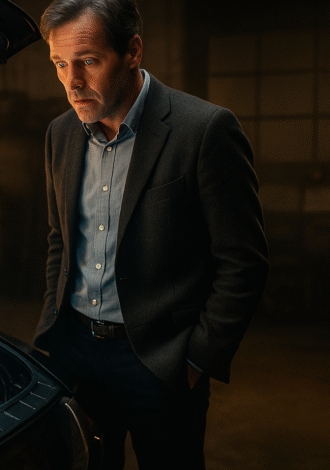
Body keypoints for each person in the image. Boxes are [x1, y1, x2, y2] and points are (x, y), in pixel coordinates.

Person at [32, 1, 269, 468]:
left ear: (133, 50)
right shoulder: (60, 134)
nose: (71, 82)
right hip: (75, 356)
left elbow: (243, 261)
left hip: (160, 363)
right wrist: (51, 330)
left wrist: (197, 358)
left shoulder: (203, 130)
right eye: (60, 64)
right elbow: (60, 239)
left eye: (89, 61)